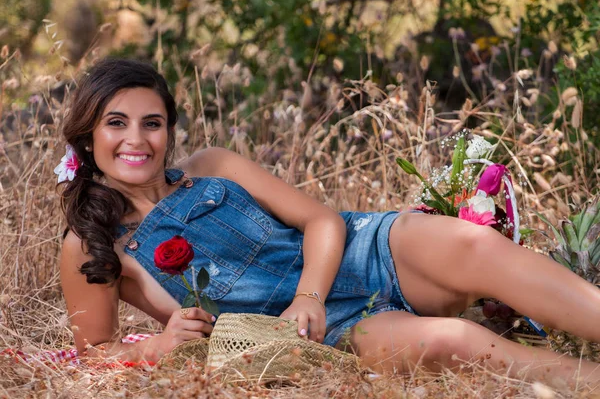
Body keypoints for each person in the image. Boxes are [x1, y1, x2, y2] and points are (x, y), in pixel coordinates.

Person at [58, 58, 600, 386]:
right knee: (449, 341)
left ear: (169, 130)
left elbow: (321, 220)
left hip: (367, 253)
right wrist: (160, 345)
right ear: (87, 136)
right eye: (116, 123)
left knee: (472, 245)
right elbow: (94, 356)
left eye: (152, 123)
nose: (137, 139)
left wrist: (309, 295)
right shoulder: (92, 243)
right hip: (325, 336)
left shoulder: (213, 167)